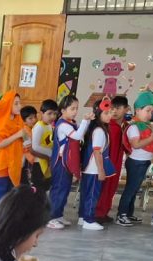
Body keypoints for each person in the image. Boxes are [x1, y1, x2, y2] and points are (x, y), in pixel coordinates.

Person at [116, 91, 153, 226]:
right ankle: (121, 215)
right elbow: (136, 144)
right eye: (147, 110)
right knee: (130, 189)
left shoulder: (144, 125)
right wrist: (151, 138)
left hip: (143, 162)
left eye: (152, 111)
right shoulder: (134, 126)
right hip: (136, 162)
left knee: (135, 190)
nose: (150, 114)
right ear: (138, 110)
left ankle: (129, 213)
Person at [47, 95, 89, 230]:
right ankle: (50, 217)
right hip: (60, 163)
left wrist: (84, 123)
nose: (75, 111)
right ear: (63, 110)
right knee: (58, 190)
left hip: (66, 162)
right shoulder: (63, 125)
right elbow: (77, 136)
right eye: (72, 108)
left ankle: (58, 214)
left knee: (64, 190)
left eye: (76, 108)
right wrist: (85, 121)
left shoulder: (70, 122)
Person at [0, 91, 27, 220]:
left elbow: (25, 141)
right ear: (8, 105)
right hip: (3, 165)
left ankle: (4, 221)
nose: (19, 106)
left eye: (20, 103)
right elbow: (0, 144)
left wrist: (24, 137)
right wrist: (18, 135)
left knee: (10, 196)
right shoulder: (0, 123)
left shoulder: (19, 122)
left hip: (14, 164)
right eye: (16, 103)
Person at [79, 99, 114, 231]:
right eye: (106, 113)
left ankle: (82, 217)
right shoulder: (99, 130)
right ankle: (88, 219)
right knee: (92, 195)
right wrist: (101, 170)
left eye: (110, 112)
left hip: (89, 168)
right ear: (98, 114)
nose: (109, 115)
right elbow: (97, 152)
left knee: (86, 194)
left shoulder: (95, 128)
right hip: (94, 169)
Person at [95, 95, 129, 223]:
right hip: (108, 162)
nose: (114, 111)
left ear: (126, 109)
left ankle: (104, 211)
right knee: (104, 187)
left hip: (117, 162)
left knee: (112, 188)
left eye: (118, 108)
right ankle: (98, 213)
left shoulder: (125, 126)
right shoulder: (110, 126)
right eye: (112, 108)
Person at [30, 99, 58, 192]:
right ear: (42, 113)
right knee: (38, 188)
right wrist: (50, 153)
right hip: (39, 163)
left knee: (45, 187)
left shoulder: (49, 126)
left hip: (46, 162)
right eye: (49, 113)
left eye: (54, 113)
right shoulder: (39, 127)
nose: (52, 116)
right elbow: (35, 146)